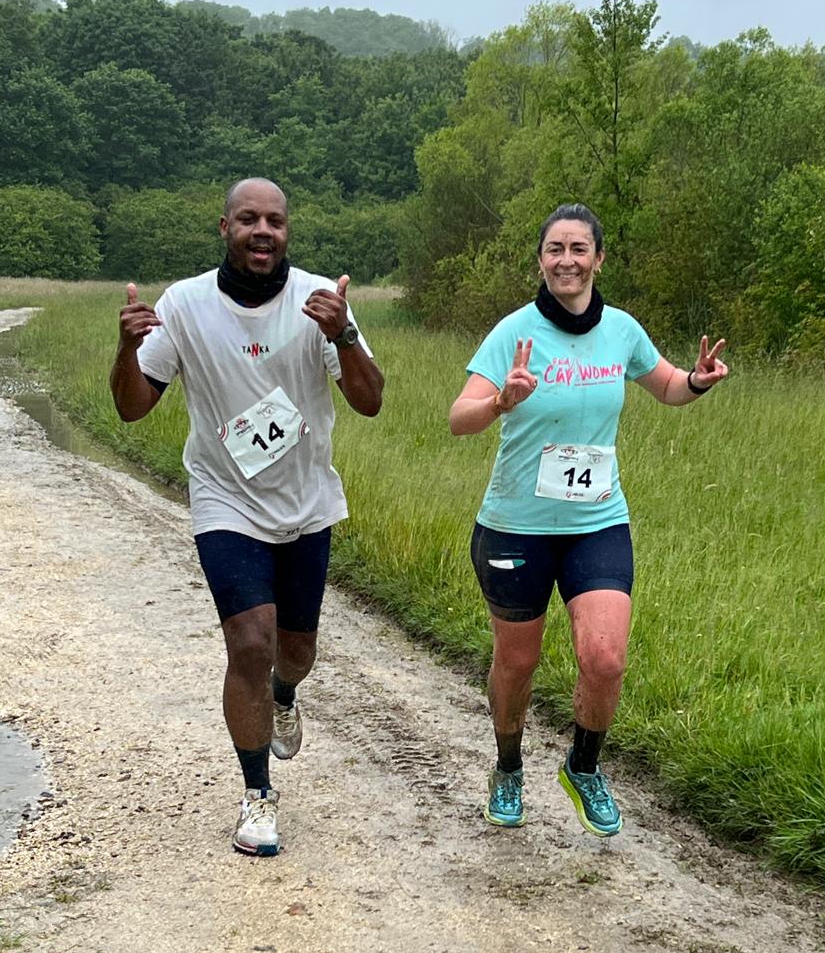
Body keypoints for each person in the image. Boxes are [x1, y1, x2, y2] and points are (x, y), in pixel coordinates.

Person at [110, 178, 384, 858]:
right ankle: (258, 794)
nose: (263, 231)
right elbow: (132, 407)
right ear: (225, 227)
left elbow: (370, 400)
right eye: (249, 219)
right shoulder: (184, 304)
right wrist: (125, 348)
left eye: (276, 221)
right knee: (250, 644)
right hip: (225, 500)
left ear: (287, 231)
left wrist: (345, 334)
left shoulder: (320, 301)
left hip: (306, 503)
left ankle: (285, 694)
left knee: (295, 653)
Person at [449, 203, 727, 837]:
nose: (566, 261)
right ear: (540, 261)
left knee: (605, 659)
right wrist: (499, 401)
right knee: (517, 664)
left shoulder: (622, 331)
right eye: (555, 249)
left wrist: (698, 380)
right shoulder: (514, 332)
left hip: (597, 522)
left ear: (599, 258)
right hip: (516, 525)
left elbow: (667, 386)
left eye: (579, 249)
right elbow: (458, 418)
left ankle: (583, 766)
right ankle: (508, 767)